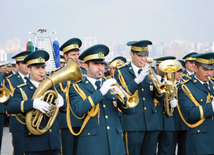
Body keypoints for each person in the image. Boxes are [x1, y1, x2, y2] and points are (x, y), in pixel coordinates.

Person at [69, 44, 134, 155]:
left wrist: (122, 97)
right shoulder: (77, 87)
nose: (100, 68)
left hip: (115, 144)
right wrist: (102, 91)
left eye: (102, 64)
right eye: (96, 64)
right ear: (86, 66)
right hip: (92, 146)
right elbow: (79, 110)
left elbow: (129, 111)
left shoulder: (110, 84)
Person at [7, 50, 65, 155]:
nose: (41, 71)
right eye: (37, 68)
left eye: (43, 67)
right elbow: (11, 107)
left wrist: (63, 102)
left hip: (53, 142)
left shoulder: (52, 88)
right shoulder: (22, 90)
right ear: (29, 70)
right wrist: (32, 103)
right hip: (34, 145)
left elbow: (65, 109)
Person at [114, 40, 163, 155]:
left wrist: (162, 87)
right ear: (131, 54)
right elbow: (122, 96)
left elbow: (159, 98)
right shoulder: (121, 72)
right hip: (132, 125)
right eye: (140, 55)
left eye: (146, 55)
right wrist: (137, 81)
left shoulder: (151, 70)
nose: (143, 59)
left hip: (151, 125)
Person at [178, 52, 214, 154]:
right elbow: (189, 114)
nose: (209, 74)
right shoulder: (185, 87)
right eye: (205, 69)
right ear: (196, 68)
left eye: (211, 70)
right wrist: (212, 106)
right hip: (199, 142)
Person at [58, 38, 83, 155]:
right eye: (73, 55)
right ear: (65, 56)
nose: (76, 58)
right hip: (65, 123)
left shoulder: (84, 74)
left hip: (83, 121)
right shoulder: (56, 74)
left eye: (78, 54)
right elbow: (55, 97)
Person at [4, 50, 31, 155]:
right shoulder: (10, 80)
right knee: (20, 150)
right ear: (17, 65)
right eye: (24, 63)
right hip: (18, 121)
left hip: (33, 121)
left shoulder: (35, 79)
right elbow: (7, 99)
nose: (27, 65)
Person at [154, 56, 177, 155]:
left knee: (167, 150)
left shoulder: (171, 82)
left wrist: (174, 100)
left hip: (168, 121)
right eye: (165, 67)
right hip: (154, 120)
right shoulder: (151, 79)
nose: (168, 70)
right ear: (158, 67)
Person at [172, 60, 188, 155]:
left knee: (184, 150)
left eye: (181, 71)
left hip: (184, 123)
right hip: (171, 124)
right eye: (177, 71)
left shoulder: (187, 84)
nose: (180, 73)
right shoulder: (166, 84)